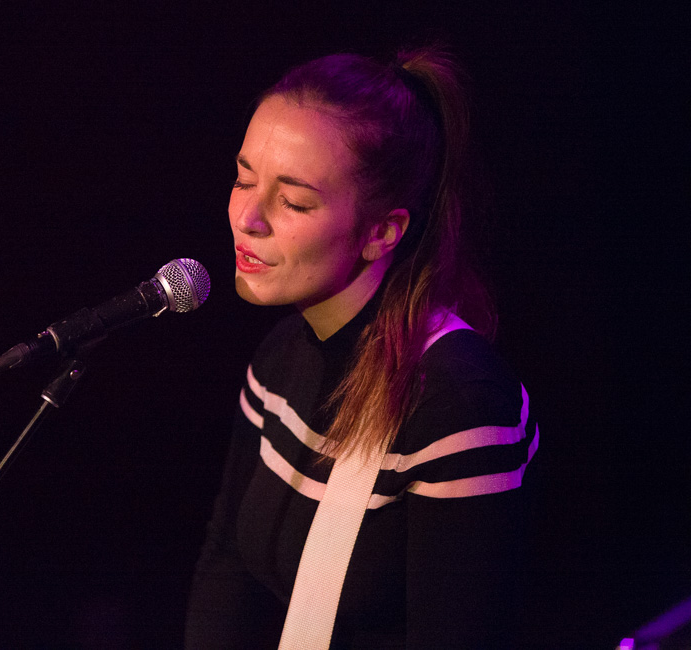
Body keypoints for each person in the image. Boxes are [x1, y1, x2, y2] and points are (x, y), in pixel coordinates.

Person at [185, 47, 538, 649]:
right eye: (244, 178)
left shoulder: (458, 404)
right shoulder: (279, 357)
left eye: (294, 201)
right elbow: (226, 565)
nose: (248, 216)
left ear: (381, 232)